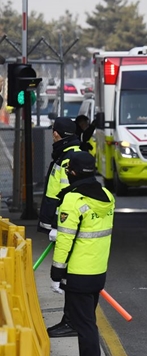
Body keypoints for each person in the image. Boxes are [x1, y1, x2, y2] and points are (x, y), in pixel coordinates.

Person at [50, 151, 115, 356]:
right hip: (98, 271)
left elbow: (66, 240)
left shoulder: (74, 200)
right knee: (87, 322)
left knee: (84, 325)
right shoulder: (107, 196)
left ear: (73, 172)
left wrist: (57, 272)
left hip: (78, 273)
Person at [38, 117, 82, 338]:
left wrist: (57, 225)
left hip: (66, 227)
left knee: (69, 275)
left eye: (53, 131)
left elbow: (69, 197)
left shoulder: (69, 159)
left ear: (57, 134)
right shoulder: (66, 156)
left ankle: (72, 322)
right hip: (62, 226)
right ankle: (70, 319)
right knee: (67, 275)